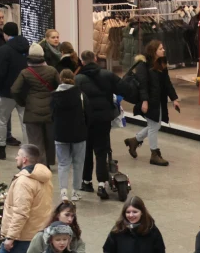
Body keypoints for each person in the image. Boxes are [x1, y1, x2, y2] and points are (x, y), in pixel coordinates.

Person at [0, 144, 53, 253]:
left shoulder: (24, 181)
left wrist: (10, 237)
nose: (15, 157)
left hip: (23, 234)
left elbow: (21, 212)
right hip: (38, 230)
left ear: (24, 159)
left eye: (18, 155)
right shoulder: (45, 178)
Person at [124, 40, 180, 166]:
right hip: (149, 101)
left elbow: (167, 83)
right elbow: (143, 85)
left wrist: (174, 99)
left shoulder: (161, 63)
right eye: (161, 48)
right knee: (154, 126)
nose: (163, 50)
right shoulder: (143, 65)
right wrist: (144, 101)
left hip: (158, 100)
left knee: (155, 125)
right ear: (154, 51)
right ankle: (154, 154)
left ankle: (134, 140)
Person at [75, 50, 120, 197]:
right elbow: (122, 88)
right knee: (101, 151)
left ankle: (86, 182)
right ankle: (102, 184)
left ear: (82, 62)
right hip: (103, 119)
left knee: (86, 151)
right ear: (95, 59)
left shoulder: (79, 79)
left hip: (85, 120)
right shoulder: (107, 75)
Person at [10, 42, 58, 166]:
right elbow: (60, 88)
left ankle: (40, 165)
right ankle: (50, 162)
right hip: (50, 109)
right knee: (50, 138)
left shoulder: (25, 72)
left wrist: (22, 102)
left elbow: (14, 90)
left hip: (32, 109)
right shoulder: (52, 70)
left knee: (36, 141)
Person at [50, 69, 88, 201]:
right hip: (79, 134)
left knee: (63, 163)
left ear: (60, 79)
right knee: (78, 163)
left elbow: (52, 115)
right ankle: (76, 191)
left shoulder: (54, 96)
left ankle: (63, 191)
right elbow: (87, 114)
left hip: (60, 134)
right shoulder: (80, 95)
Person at [0, 22, 29, 161]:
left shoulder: (4, 50)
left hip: (7, 91)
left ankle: (1, 149)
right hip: (24, 90)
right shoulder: (27, 47)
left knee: (1, 119)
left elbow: (0, 72)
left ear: (5, 34)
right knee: (25, 122)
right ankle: (27, 151)